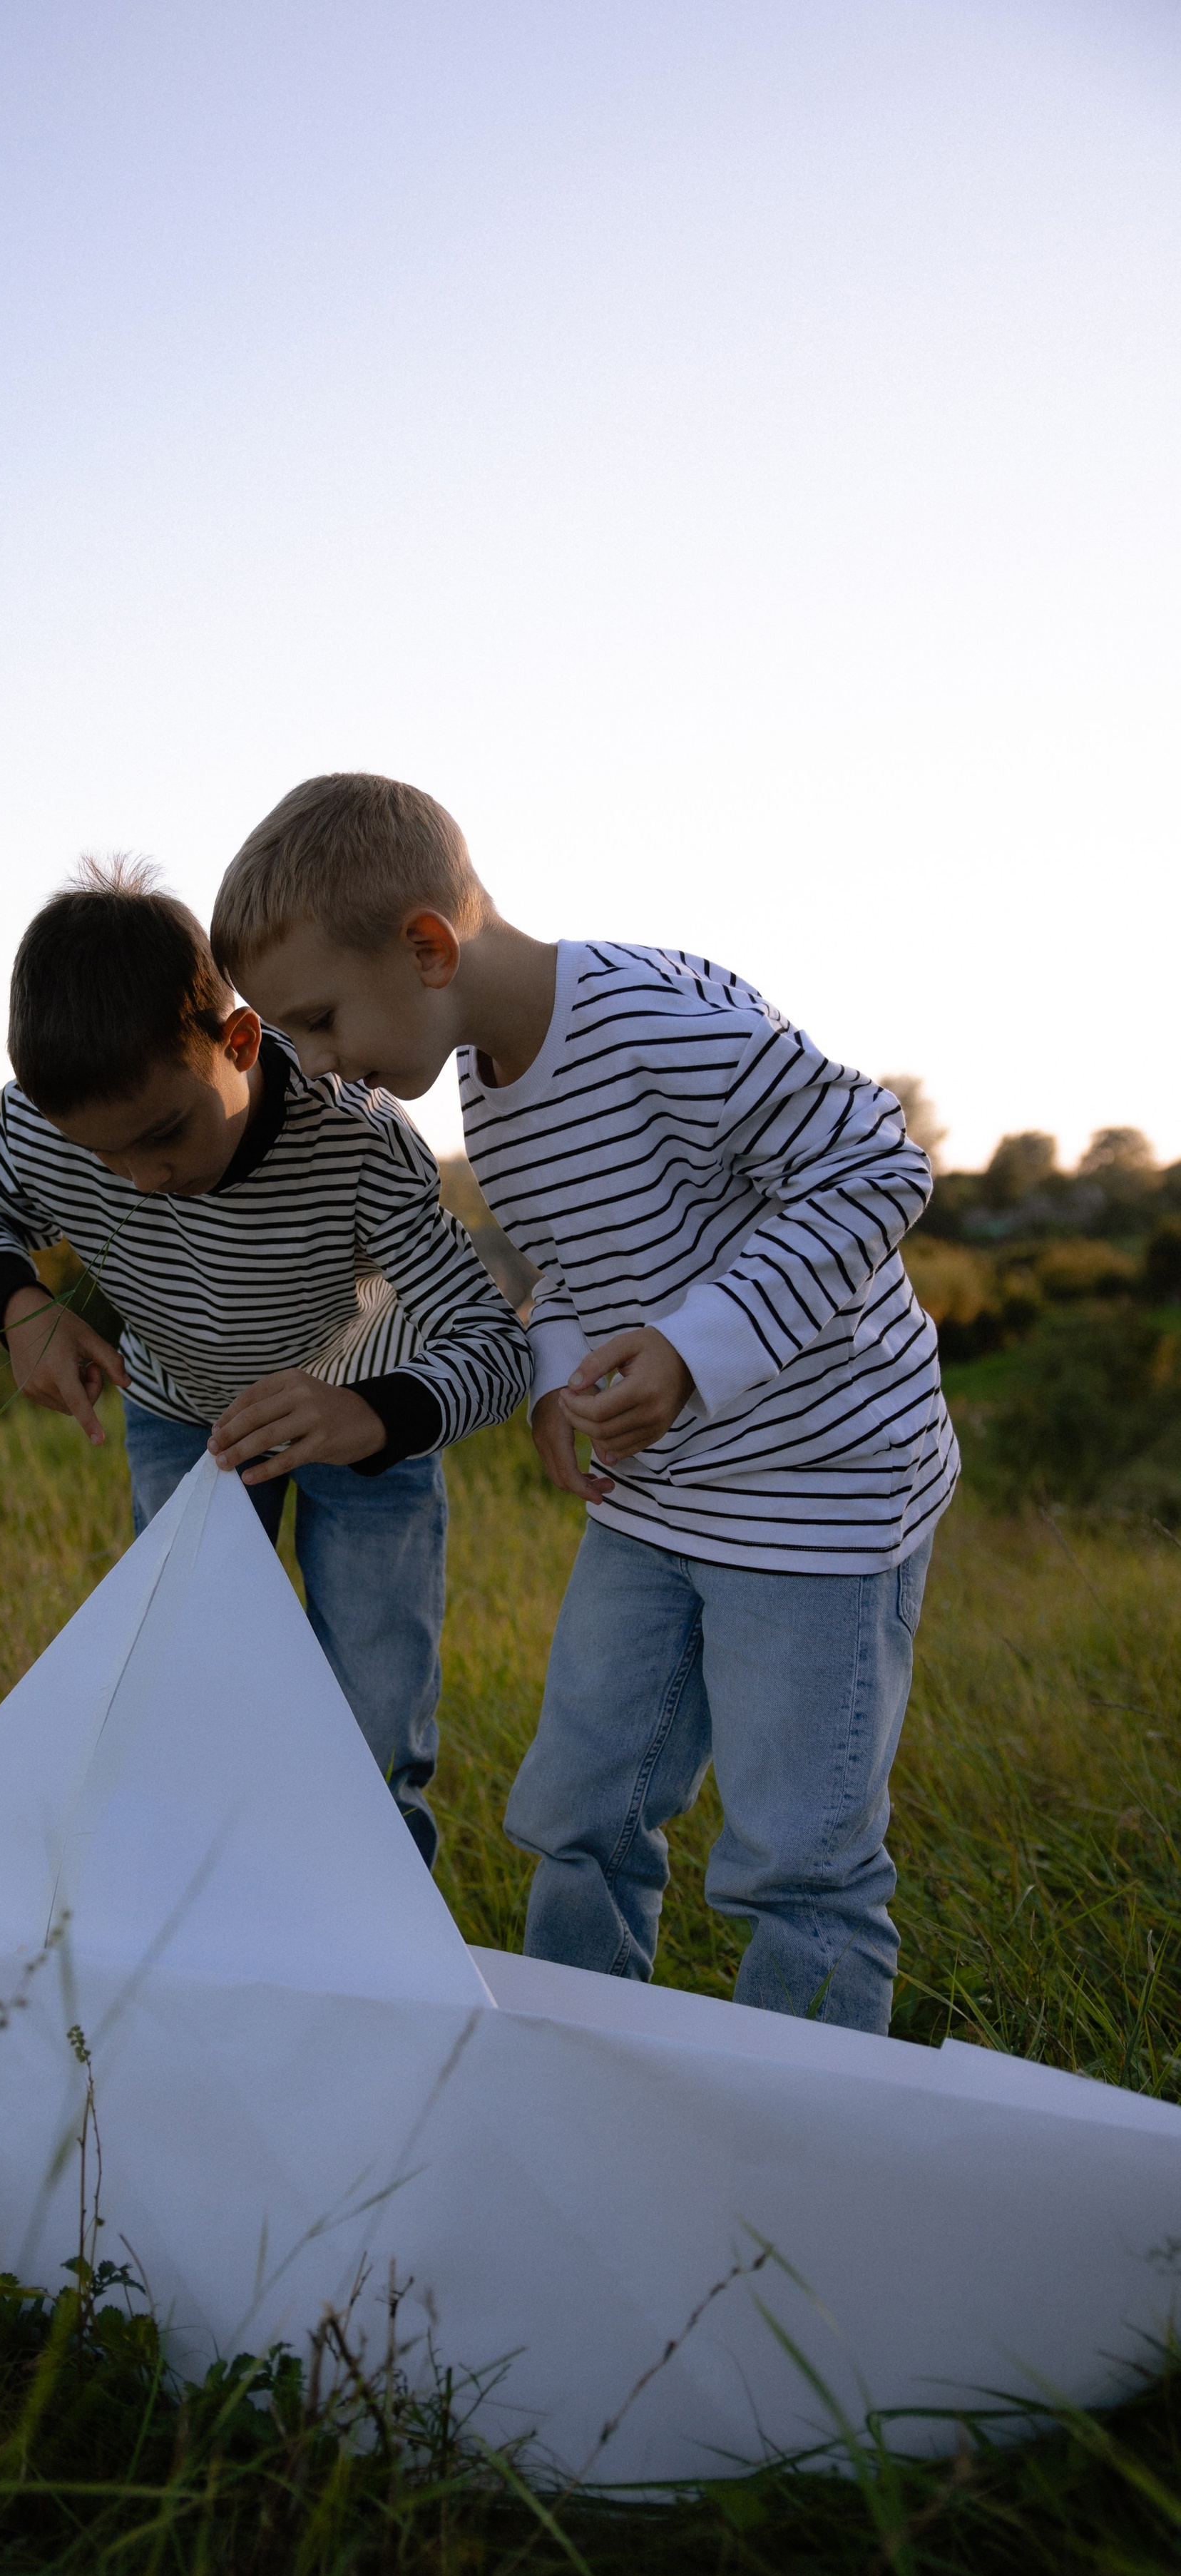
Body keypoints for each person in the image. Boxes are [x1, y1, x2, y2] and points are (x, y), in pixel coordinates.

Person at [213, 774, 958, 2033]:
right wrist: (560, 1374)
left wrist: (690, 1346)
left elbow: (877, 1163)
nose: (320, 1065)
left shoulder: (656, 1020)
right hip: (665, 1499)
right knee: (579, 1809)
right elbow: (571, 1255)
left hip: (822, 1491)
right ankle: (581, 2066)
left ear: (428, 944)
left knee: (796, 1860)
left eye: (322, 1020)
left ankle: (804, 2150)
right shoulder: (488, 1083)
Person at [0, 857, 531, 1865]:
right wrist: (20, 1308)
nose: (145, 1180)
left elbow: (495, 1345)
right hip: (184, 1424)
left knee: (372, 1718)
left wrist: (373, 1419)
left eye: (165, 1135)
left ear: (239, 1041)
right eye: (106, 1159)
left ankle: (376, 1952)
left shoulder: (360, 1141)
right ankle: (201, 1934)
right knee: (186, 1695)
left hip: (361, 1426)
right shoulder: (47, 1126)